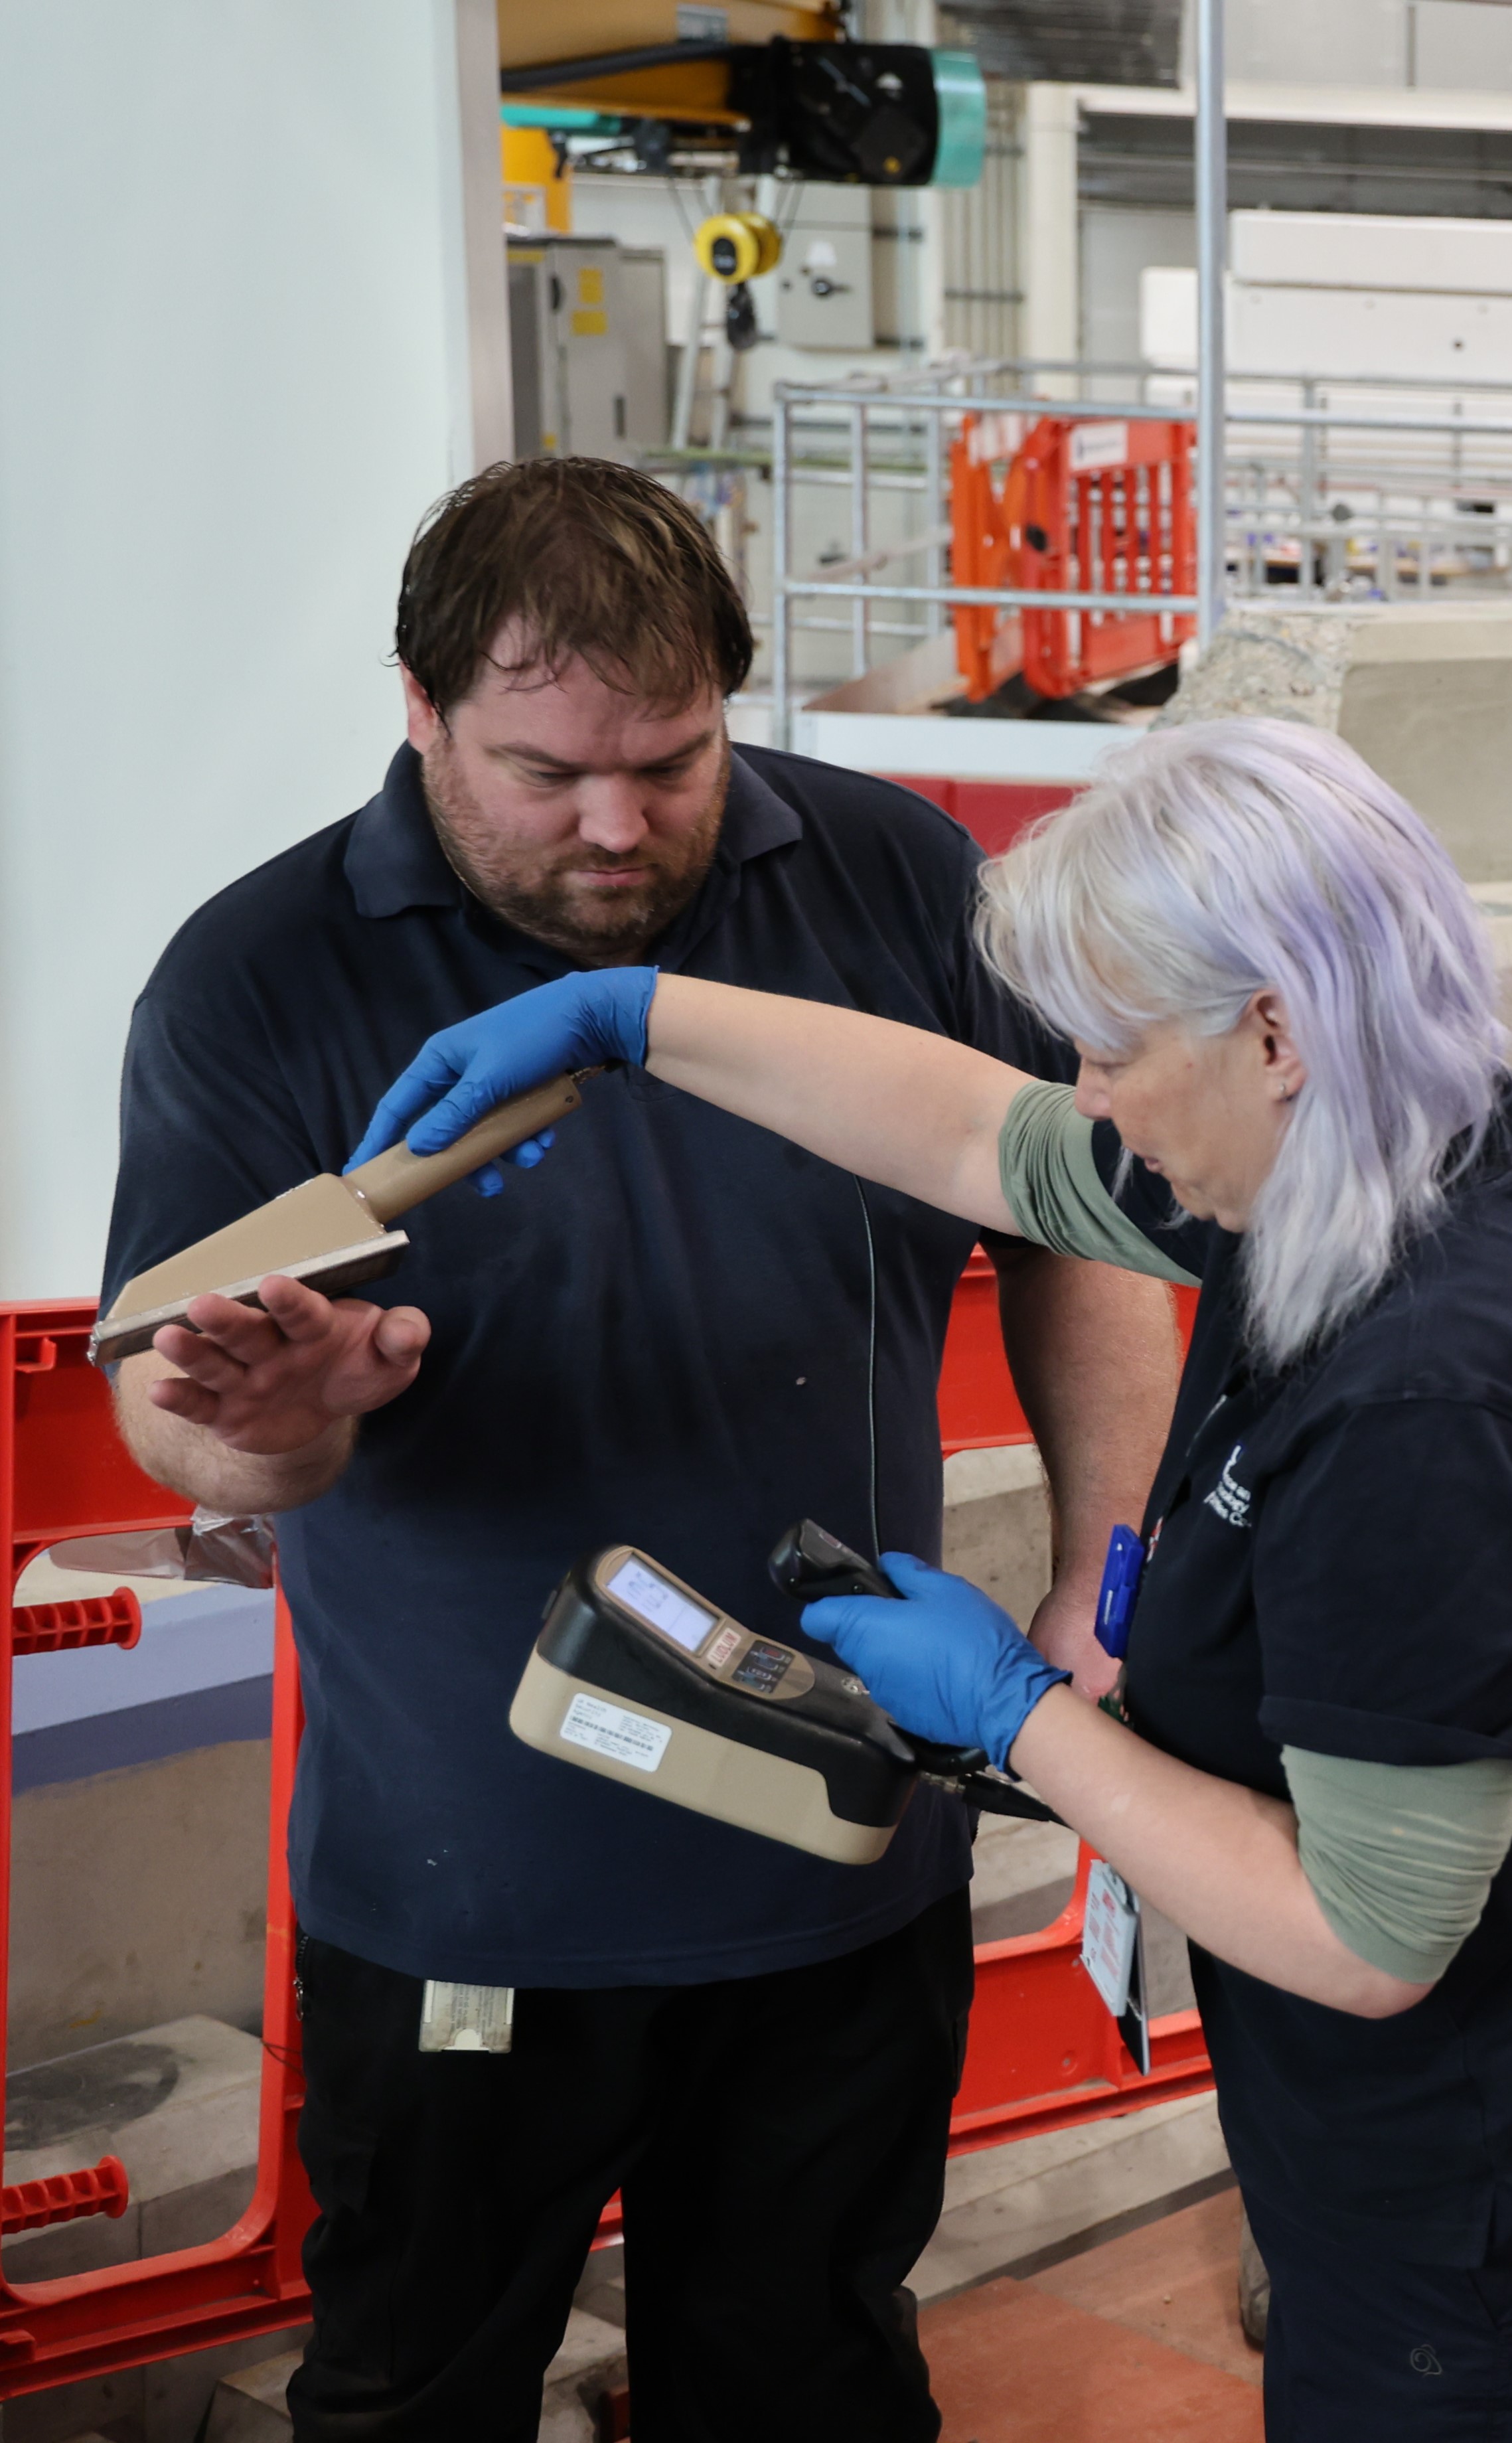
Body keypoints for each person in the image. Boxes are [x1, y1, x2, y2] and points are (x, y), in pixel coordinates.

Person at [353, 716, 1512, 2440]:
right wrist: (636, 1023)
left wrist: (1018, 1715)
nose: (1094, 1094)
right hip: (1452, 2165)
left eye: (1115, 1048)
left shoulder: (1435, 1398)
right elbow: (989, 1141)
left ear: (1275, 1028)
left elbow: (1367, 1932)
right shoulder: (1352, 1163)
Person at [100, 457, 1180, 2440]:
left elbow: (1082, 1224)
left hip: (843, 1858)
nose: (617, 827)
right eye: (543, 774)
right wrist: (273, 1428)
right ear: (418, 712)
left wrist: (1106, 1573)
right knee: (417, 2395)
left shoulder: (897, 879)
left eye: (671, 764)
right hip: (469, 1892)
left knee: (811, 2388)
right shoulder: (259, 974)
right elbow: (183, 1423)